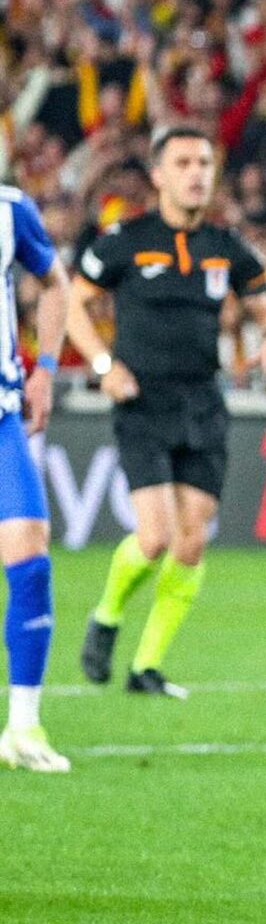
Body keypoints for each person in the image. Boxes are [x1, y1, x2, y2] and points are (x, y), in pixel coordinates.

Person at [68, 127, 266, 697]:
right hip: (141, 400)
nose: (196, 174)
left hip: (202, 402)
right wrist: (103, 365)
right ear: (158, 175)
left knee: (191, 542)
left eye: (204, 163)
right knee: (155, 536)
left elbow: (264, 305)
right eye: (184, 163)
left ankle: (146, 667)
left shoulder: (227, 246)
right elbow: (73, 305)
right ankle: (106, 614)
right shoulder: (126, 240)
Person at [0, 184, 70, 772]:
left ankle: (23, 728)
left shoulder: (11, 209)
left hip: (1, 416)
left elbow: (55, 282)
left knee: (31, 557)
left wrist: (44, 368)